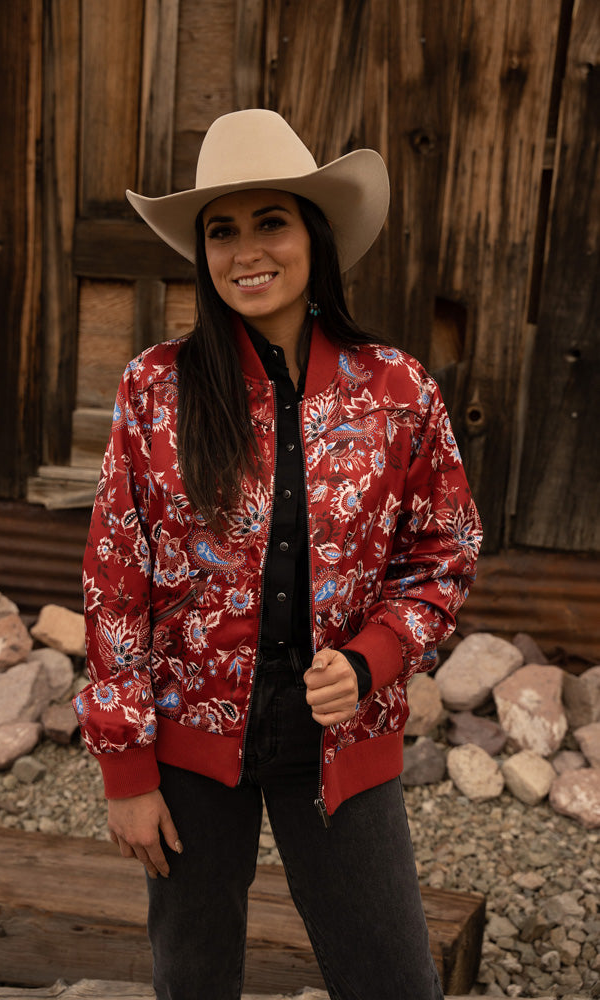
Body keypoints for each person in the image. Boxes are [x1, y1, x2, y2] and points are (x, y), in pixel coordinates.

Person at [75, 109, 482, 1000]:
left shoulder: (397, 388)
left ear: (313, 236)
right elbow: (115, 582)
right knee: (193, 975)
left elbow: (443, 552)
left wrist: (374, 658)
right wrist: (125, 771)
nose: (245, 250)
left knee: (392, 978)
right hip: (188, 737)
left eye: (271, 221)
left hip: (341, 728)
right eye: (221, 230)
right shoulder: (154, 387)